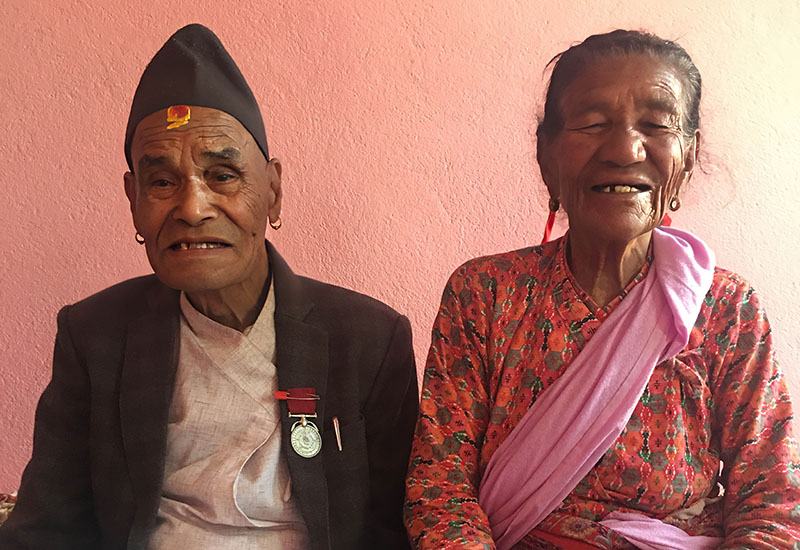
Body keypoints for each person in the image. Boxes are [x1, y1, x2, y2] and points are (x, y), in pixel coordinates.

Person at [0, 24, 417, 550]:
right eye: (161, 182)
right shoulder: (95, 336)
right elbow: (46, 526)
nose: (193, 208)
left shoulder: (369, 339)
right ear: (133, 199)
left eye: (222, 175)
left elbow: (393, 529)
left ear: (273, 190)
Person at [405, 30, 800, 549]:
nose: (624, 150)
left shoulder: (726, 308)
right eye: (593, 124)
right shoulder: (484, 294)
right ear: (546, 157)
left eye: (656, 125)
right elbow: (440, 491)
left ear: (688, 156)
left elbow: (773, 503)